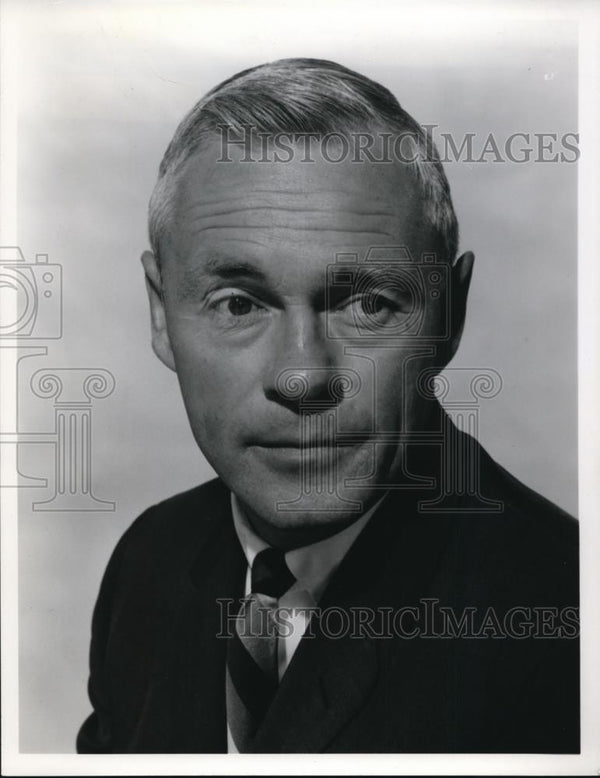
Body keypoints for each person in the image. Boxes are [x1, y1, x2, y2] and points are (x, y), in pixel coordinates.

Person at [77, 58, 579, 754]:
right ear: (162, 317)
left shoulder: (567, 628)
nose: (303, 375)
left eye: (367, 303)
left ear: (449, 313)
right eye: (239, 304)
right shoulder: (149, 561)